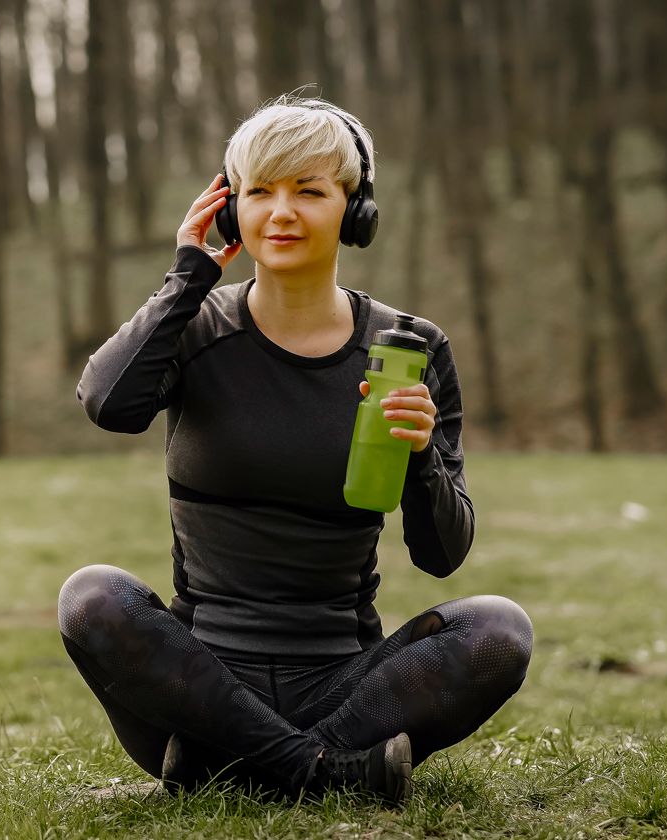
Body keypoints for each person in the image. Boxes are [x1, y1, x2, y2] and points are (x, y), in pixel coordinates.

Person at [56, 95, 534, 806]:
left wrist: (422, 454)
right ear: (229, 208)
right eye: (260, 192)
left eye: (309, 191)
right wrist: (186, 276)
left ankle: (234, 769)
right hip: (197, 682)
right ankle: (324, 773)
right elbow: (107, 404)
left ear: (354, 210)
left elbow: (442, 554)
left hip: (346, 684)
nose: (282, 212)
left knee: (499, 630)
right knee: (92, 597)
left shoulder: (411, 348)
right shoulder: (191, 329)